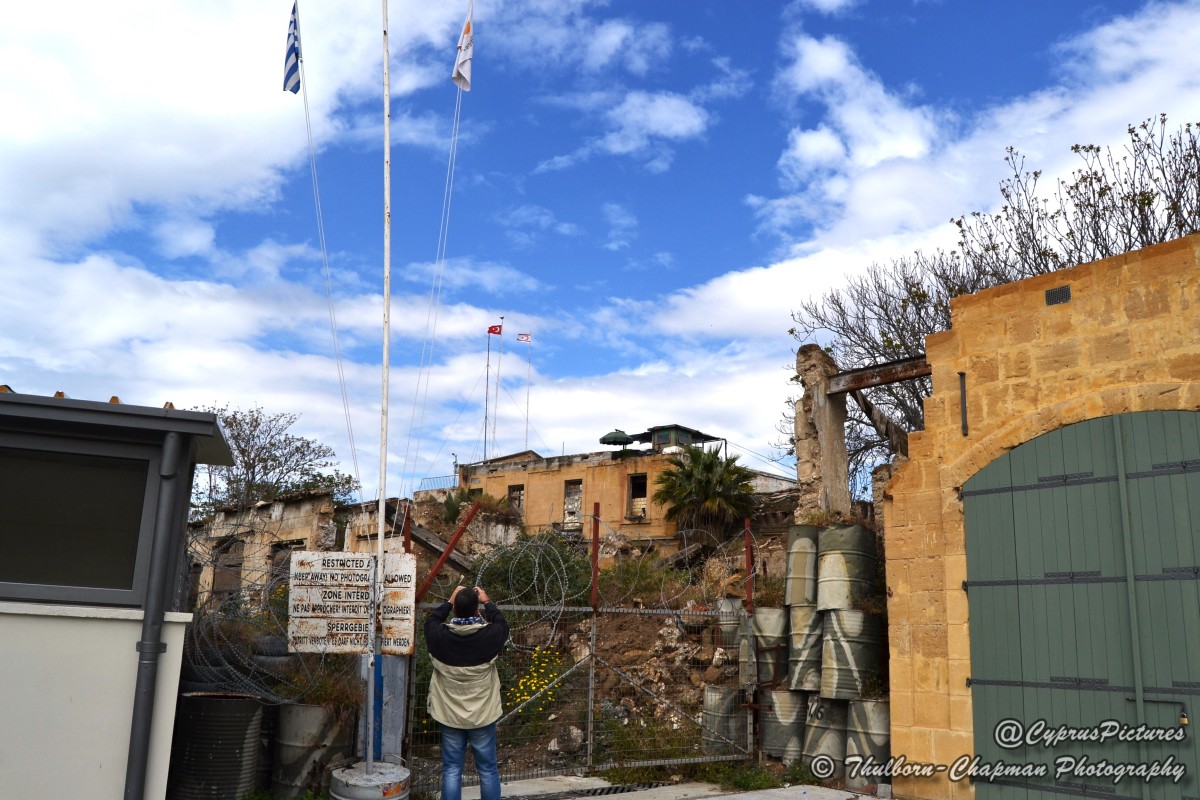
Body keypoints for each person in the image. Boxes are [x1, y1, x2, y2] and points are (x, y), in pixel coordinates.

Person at [425, 584, 509, 800]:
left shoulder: (440, 637)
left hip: (449, 714)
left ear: (454, 610)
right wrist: (487, 601)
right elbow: (501, 623)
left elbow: (432, 620)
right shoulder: (489, 636)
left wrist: (450, 599)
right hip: (482, 714)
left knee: (452, 770)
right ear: (476, 610)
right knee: (488, 770)